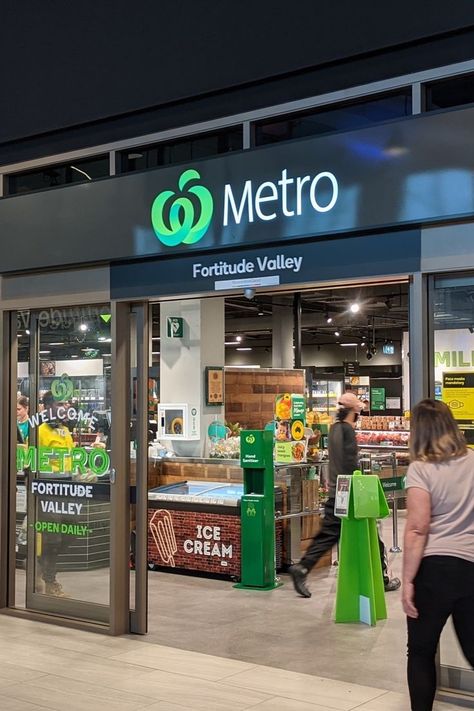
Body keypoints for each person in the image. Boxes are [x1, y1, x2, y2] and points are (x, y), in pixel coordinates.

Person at [289, 391, 400, 598]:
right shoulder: (348, 431)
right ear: (353, 413)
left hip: (336, 492)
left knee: (328, 534)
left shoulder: (333, 430)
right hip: (352, 494)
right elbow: (351, 465)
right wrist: (361, 487)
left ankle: (303, 567)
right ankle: (382, 578)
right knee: (373, 536)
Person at [403, 399, 474, 711]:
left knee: (420, 651)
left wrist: (406, 580)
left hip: (433, 571)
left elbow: (418, 528)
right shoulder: (473, 461)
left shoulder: (420, 469)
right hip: (471, 568)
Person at [37, 391, 74, 597]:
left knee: (71, 531)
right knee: (53, 538)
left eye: (66, 404)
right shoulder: (40, 431)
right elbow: (30, 462)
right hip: (49, 489)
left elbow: (70, 458)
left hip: (68, 489)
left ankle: (38, 563)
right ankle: (50, 582)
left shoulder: (64, 431)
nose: (65, 407)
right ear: (48, 406)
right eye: (60, 403)